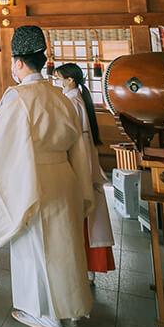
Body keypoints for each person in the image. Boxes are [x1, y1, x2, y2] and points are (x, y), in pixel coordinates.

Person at [0, 26, 95, 327]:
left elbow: (1, 151)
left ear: (18, 63)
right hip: (65, 177)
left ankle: (44, 314)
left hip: (33, 180)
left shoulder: (17, 98)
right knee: (66, 246)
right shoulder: (62, 96)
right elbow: (78, 146)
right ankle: (71, 313)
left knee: (37, 247)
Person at [56, 63, 116, 280]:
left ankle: (83, 266)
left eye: (60, 78)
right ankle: (87, 268)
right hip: (84, 158)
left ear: (70, 80)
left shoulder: (71, 101)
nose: (59, 82)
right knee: (87, 214)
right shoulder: (76, 100)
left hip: (78, 160)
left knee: (82, 214)